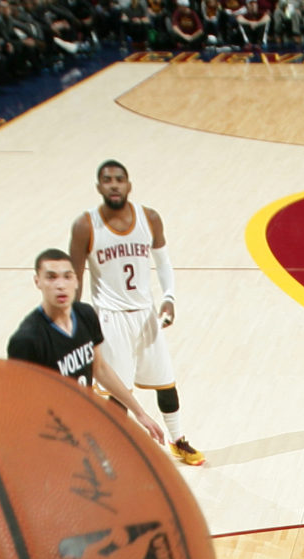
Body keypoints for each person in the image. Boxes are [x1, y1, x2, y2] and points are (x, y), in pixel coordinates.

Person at [69, 159, 203, 467]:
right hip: (109, 317)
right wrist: (75, 323)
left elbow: (164, 263)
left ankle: (177, 440)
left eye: (119, 179)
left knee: (166, 383)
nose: (114, 184)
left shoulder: (149, 218)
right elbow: (74, 276)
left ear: (129, 185)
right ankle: (113, 452)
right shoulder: (85, 226)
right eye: (107, 180)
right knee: (119, 392)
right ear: (98, 187)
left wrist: (168, 297)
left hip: (145, 314)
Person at [7, 246, 167, 443]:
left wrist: (140, 413)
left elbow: (99, 368)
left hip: (84, 424)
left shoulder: (85, 315)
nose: (60, 285)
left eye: (67, 276)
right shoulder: (27, 340)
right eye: (51, 277)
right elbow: (20, 405)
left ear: (76, 280)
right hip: (52, 438)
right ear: (37, 281)